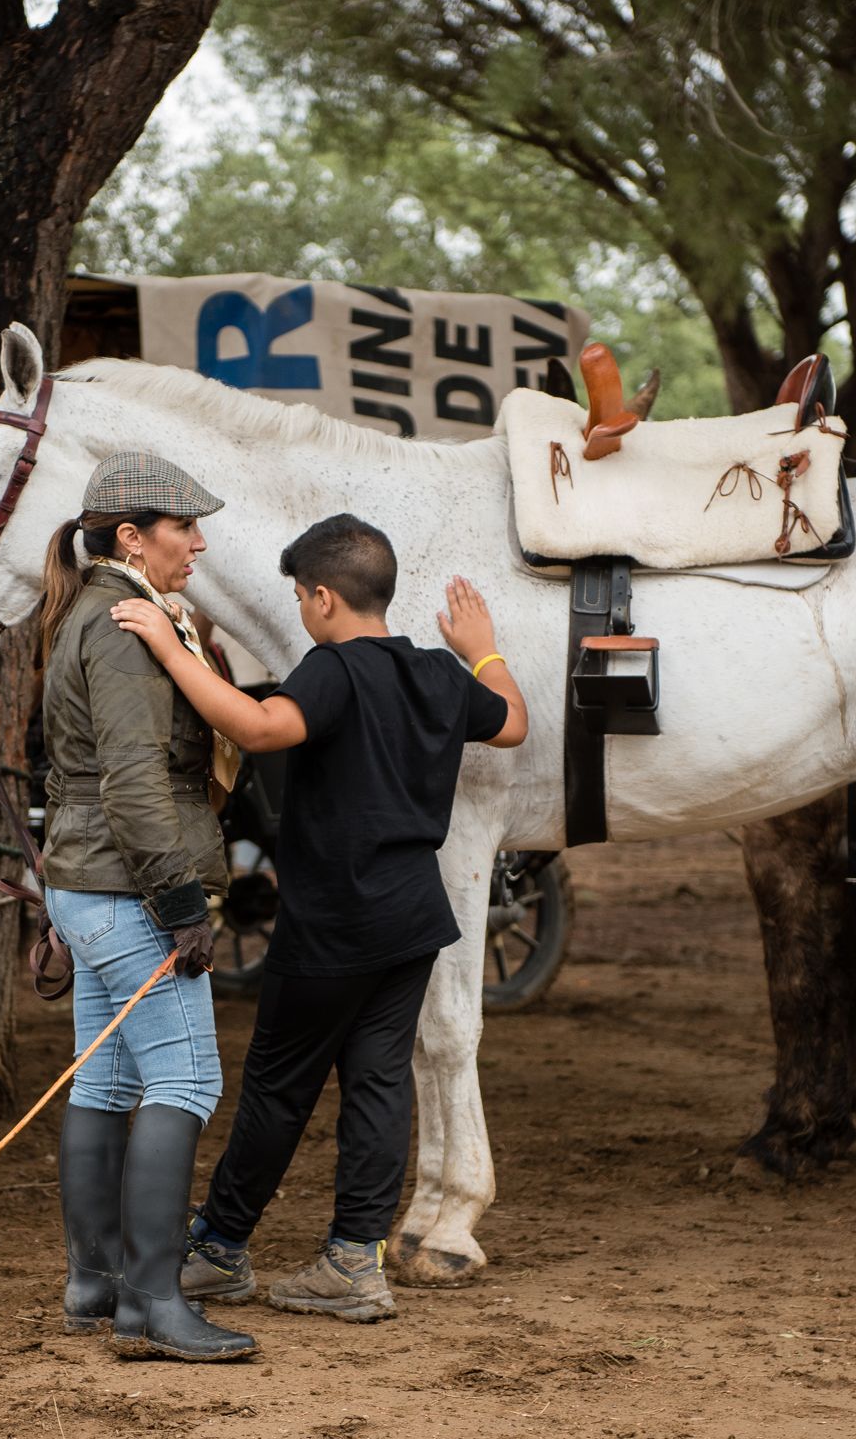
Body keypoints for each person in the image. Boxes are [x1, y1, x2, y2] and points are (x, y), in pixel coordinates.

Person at [110, 514, 528, 1323]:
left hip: (334, 921)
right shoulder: (440, 672)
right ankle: (352, 1260)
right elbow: (510, 721)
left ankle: (219, 1249)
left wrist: (168, 647)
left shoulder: (331, 670)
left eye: (301, 595)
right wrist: (483, 646)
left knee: (277, 1087)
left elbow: (261, 726)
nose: (301, 608)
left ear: (324, 598)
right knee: (377, 1086)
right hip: (412, 921)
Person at [39, 450, 257, 1363]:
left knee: (108, 1080)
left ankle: (96, 1283)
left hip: (83, 885)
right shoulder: (125, 626)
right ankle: (154, 1305)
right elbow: (132, 782)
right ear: (131, 537)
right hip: (125, 888)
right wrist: (178, 901)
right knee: (186, 1081)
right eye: (185, 528)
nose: (199, 542)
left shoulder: (92, 610)